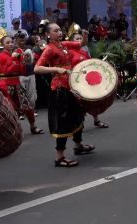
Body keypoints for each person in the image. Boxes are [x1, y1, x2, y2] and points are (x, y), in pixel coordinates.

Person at [34, 23, 95, 167]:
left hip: (72, 86)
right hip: (60, 88)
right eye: (55, 31)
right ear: (48, 35)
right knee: (63, 122)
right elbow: (37, 68)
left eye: (60, 30)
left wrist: (85, 34)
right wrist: (56, 69)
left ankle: (78, 145)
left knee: (78, 115)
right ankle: (59, 157)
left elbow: (81, 43)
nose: (59, 32)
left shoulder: (64, 45)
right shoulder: (49, 49)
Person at [0, 36, 43, 134]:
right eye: (7, 42)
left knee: (27, 106)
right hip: (5, 85)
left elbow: (22, 71)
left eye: (11, 42)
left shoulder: (17, 54)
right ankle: (12, 131)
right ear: (3, 45)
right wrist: (15, 60)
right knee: (10, 109)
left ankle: (33, 127)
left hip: (16, 83)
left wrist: (24, 61)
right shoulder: (2, 56)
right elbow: (6, 71)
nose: (10, 44)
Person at [69, 31, 109, 128]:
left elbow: (90, 62)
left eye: (80, 38)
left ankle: (96, 120)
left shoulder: (85, 49)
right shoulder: (69, 51)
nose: (79, 40)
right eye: (77, 39)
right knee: (79, 102)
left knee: (93, 99)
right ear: (71, 41)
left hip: (87, 78)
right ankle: (79, 124)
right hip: (76, 80)